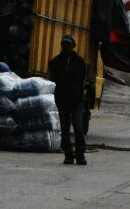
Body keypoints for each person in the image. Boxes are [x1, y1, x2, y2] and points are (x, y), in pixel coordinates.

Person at [48, 34, 88, 165]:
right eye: (64, 45)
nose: (66, 48)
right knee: (64, 130)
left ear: (73, 46)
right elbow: (51, 81)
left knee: (78, 126)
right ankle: (68, 155)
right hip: (62, 100)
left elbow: (82, 80)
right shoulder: (55, 62)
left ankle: (80, 154)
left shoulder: (80, 62)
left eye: (68, 45)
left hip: (76, 100)